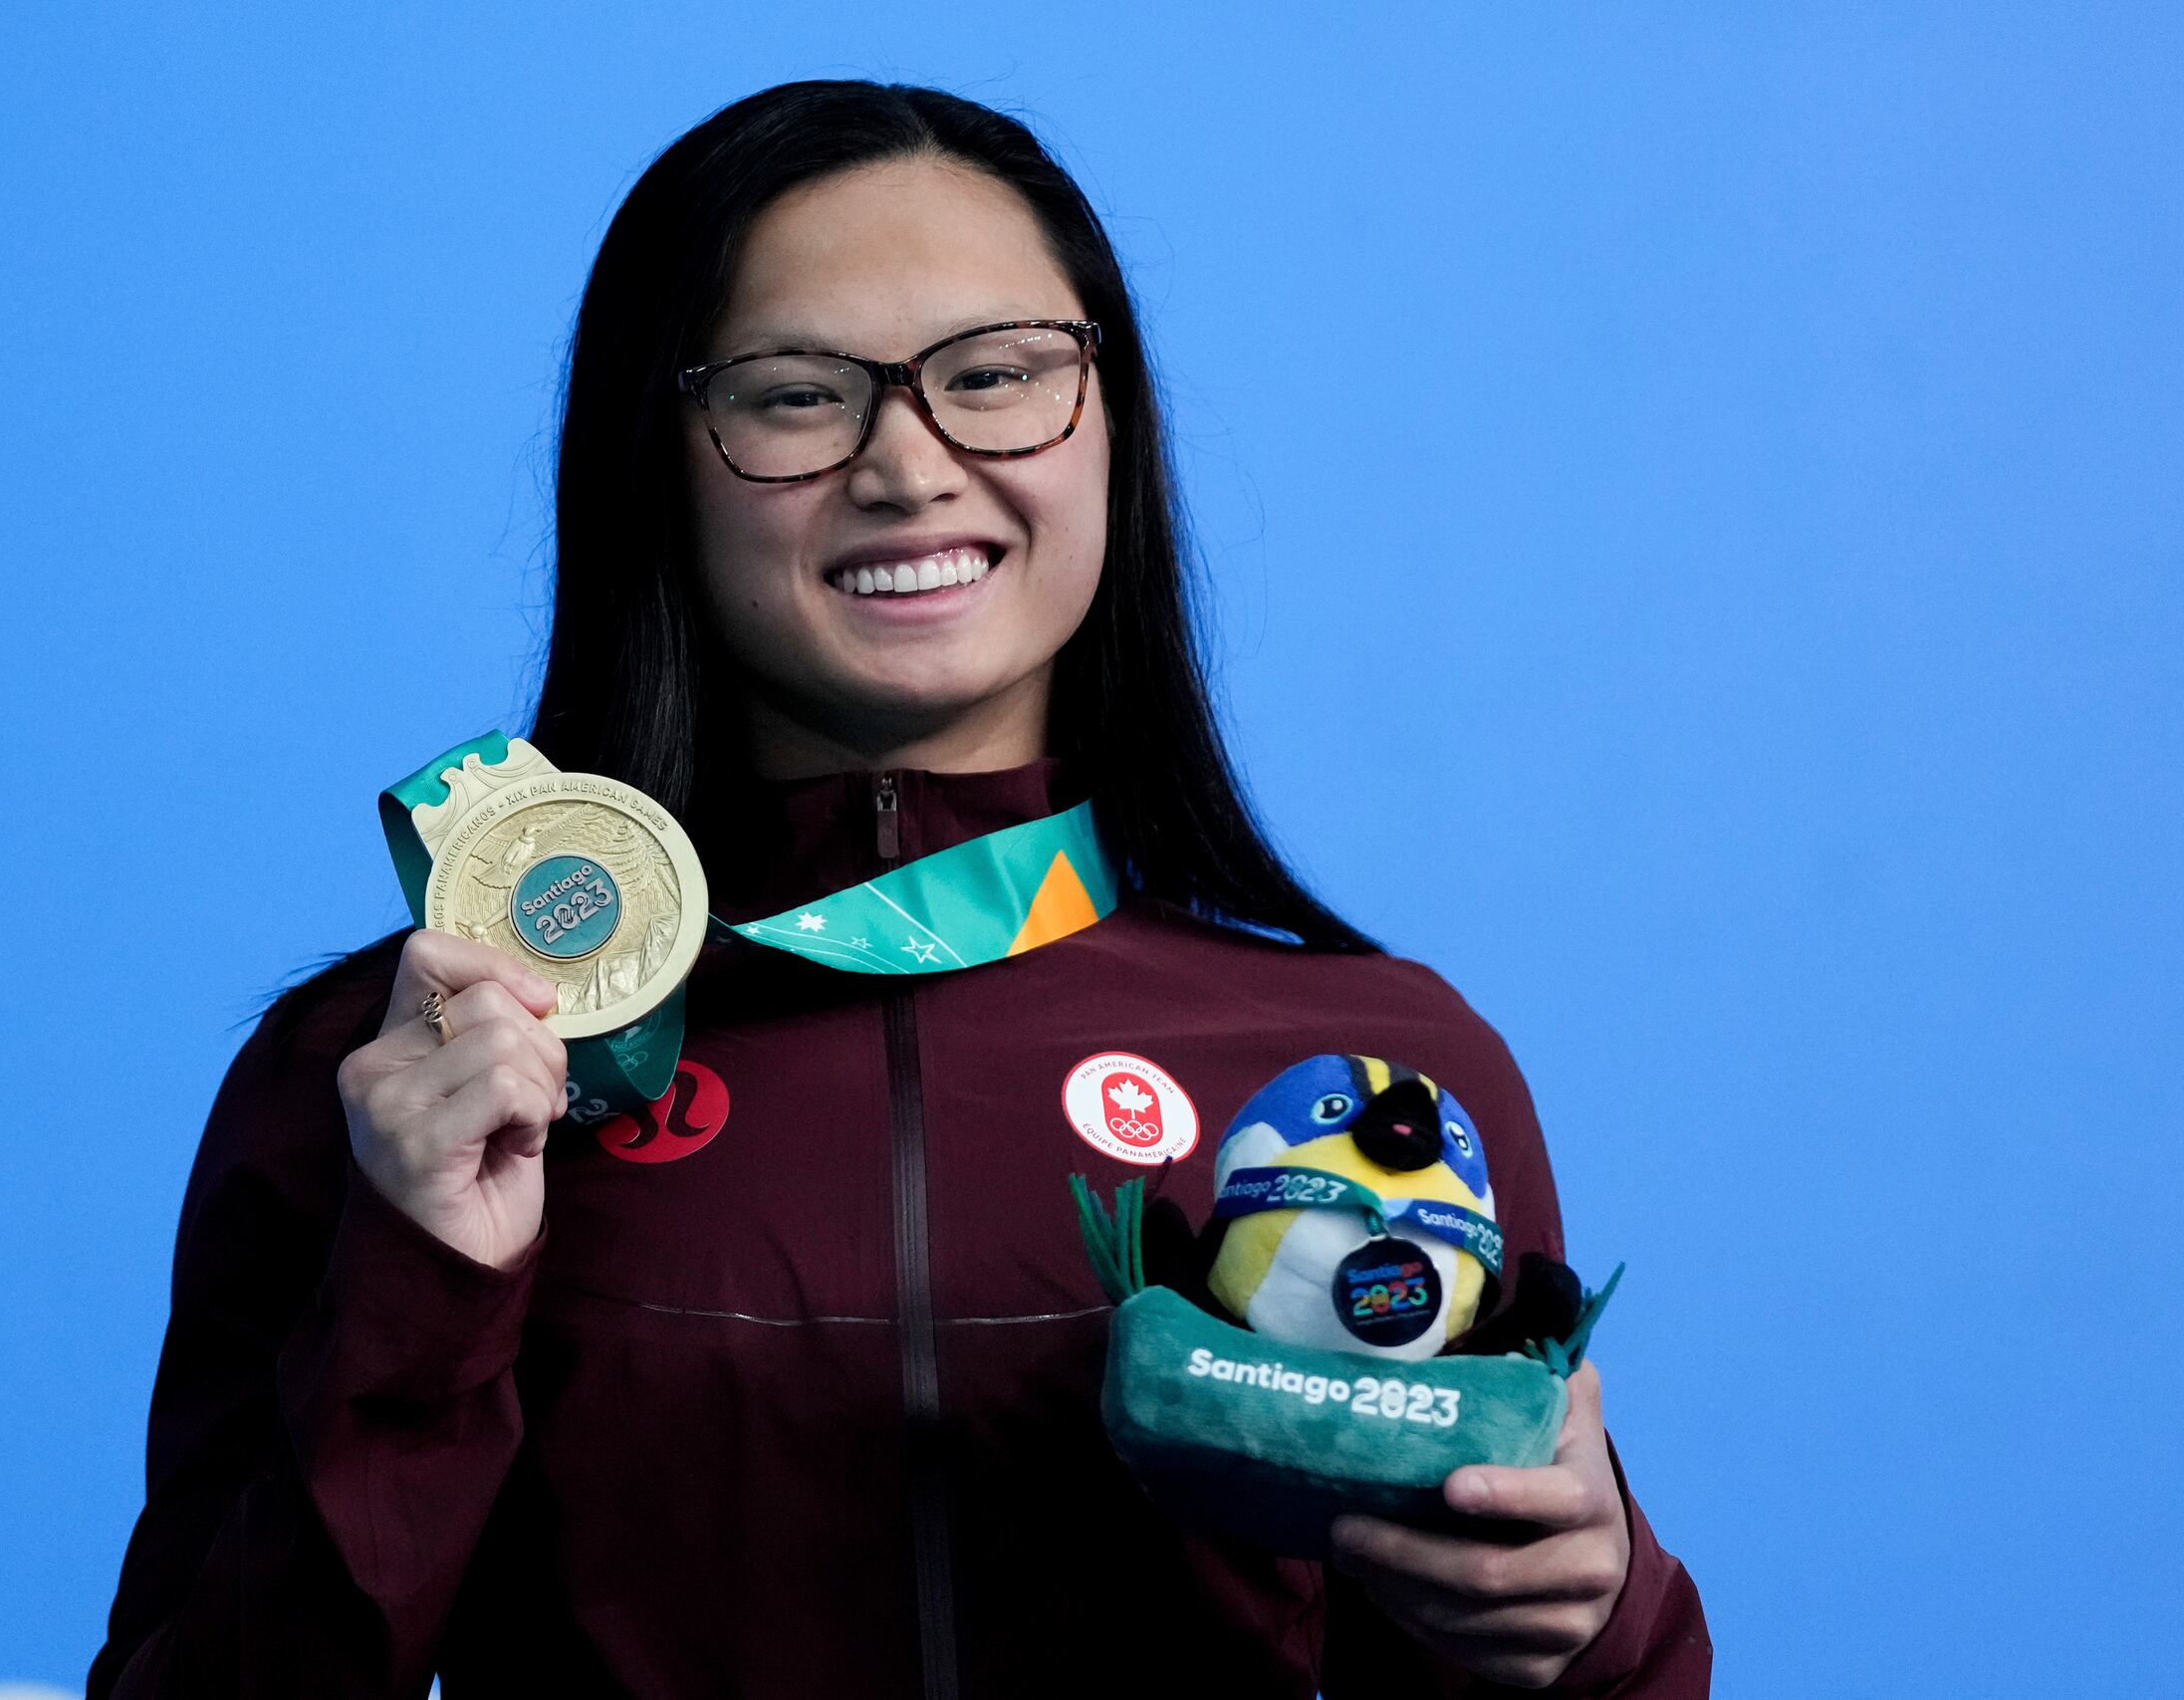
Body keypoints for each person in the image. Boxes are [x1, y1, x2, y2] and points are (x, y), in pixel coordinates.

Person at [90, 79, 1711, 1699]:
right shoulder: (404, 1077)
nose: (911, 467)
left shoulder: (1375, 1082)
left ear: (1115, 427)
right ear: (653, 459)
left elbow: (1538, 1640)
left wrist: (1593, 1619)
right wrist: (422, 1288)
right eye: (796, 398)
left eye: (998, 377)